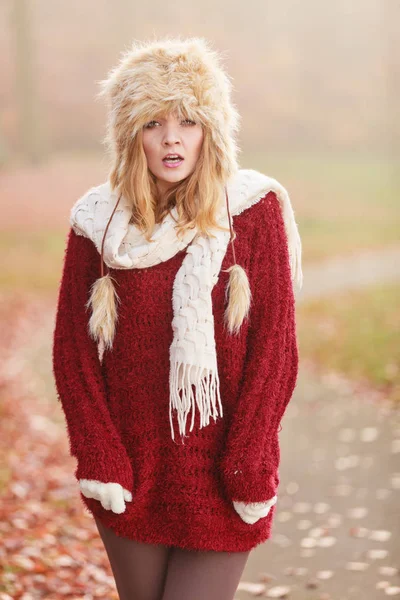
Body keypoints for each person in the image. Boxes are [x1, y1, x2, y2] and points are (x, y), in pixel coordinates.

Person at [52, 35, 303, 600]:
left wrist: (251, 457)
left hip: (223, 470)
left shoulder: (252, 212)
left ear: (210, 130)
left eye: (187, 120)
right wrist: (98, 451)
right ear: (128, 135)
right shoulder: (96, 224)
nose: (171, 137)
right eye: (152, 122)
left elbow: (275, 346)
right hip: (132, 468)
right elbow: (73, 350)